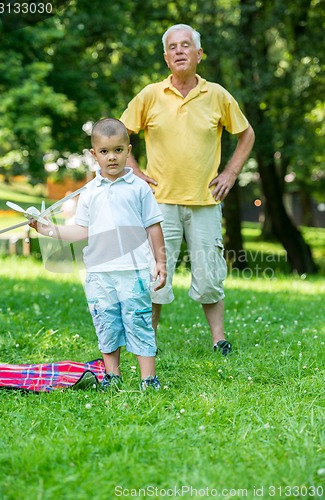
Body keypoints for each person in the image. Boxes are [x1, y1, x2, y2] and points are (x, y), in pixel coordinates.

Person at [120, 24, 255, 356]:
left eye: (186, 45)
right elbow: (118, 136)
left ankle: (218, 339)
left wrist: (230, 172)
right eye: (173, 47)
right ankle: (147, 340)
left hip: (206, 201)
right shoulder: (150, 95)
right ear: (166, 58)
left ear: (199, 54)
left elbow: (246, 134)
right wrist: (135, 171)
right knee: (155, 277)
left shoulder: (218, 95)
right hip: (158, 204)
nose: (179, 50)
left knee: (210, 275)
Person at [32, 118, 167, 391]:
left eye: (118, 150)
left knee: (139, 321)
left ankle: (148, 379)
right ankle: (112, 376)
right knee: (106, 323)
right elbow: (81, 230)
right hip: (99, 273)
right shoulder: (89, 192)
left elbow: (153, 225)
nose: (112, 157)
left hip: (134, 271)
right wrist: (48, 230)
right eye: (104, 151)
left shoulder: (139, 188)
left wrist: (160, 261)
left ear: (129, 151)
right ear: (94, 155)